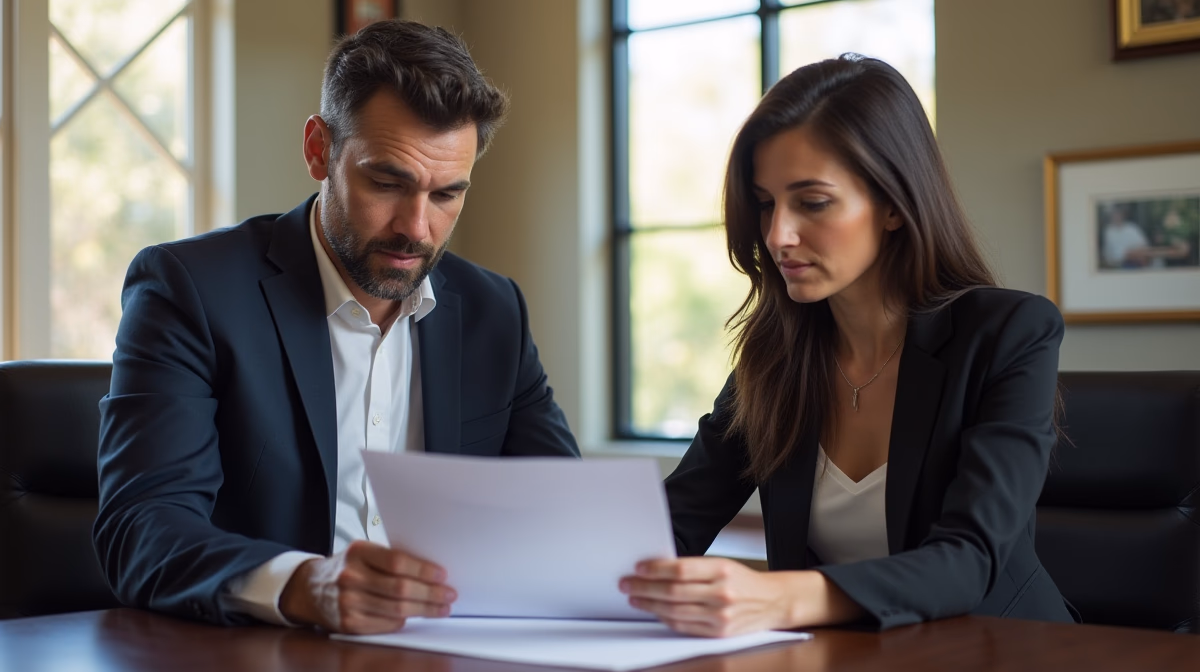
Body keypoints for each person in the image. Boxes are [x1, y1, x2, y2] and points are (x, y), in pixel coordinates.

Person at [94, 20, 579, 635]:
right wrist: (304, 584)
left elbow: (567, 518)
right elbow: (141, 529)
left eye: (447, 194)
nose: (417, 228)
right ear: (319, 149)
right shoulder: (189, 289)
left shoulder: (493, 311)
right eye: (387, 182)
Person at [619, 55, 1077, 637]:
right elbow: (675, 520)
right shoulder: (775, 357)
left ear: (892, 204)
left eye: (812, 202)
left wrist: (778, 599)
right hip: (846, 656)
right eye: (765, 203)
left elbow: (970, 560)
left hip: (1002, 650)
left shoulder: (1009, 332)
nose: (778, 235)